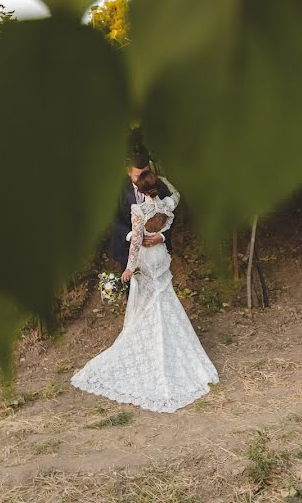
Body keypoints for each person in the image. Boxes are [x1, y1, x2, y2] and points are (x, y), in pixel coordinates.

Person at [72, 170, 219, 412]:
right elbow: (177, 194)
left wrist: (129, 270)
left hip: (146, 260)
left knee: (144, 303)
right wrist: (165, 178)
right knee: (164, 299)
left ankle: (148, 345)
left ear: (140, 190)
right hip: (161, 260)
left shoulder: (139, 211)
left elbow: (136, 243)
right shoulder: (167, 205)